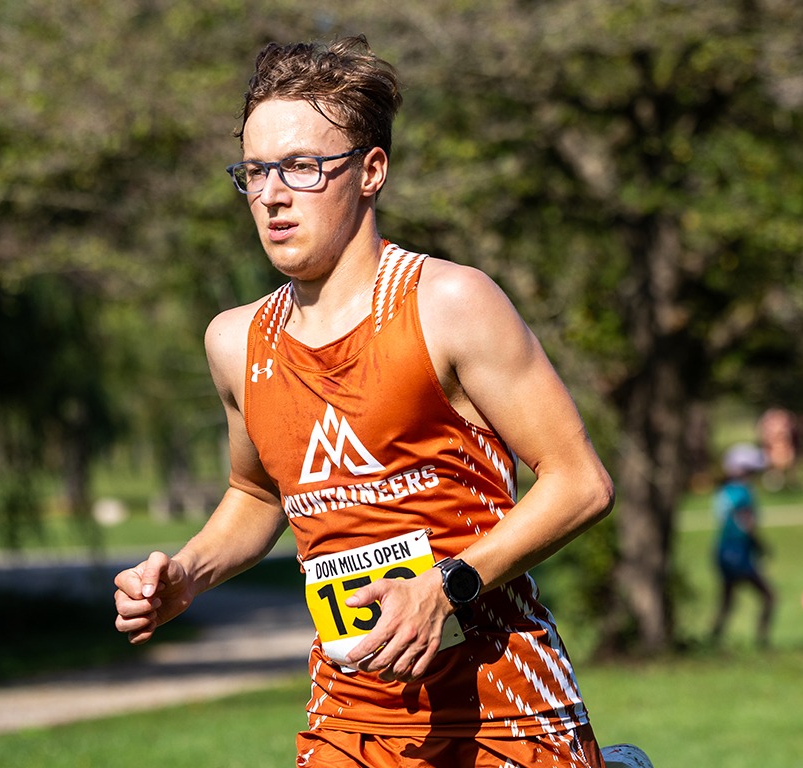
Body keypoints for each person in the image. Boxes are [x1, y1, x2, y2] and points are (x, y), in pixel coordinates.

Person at [113, 36, 616, 767]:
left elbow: (580, 483)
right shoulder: (235, 342)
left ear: (371, 170)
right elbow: (258, 494)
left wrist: (443, 589)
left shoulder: (449, 303)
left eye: (301, 167)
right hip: (348, 722)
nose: (272, 195)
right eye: (254, 172)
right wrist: (187, 575)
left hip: (505, 715)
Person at [708, 443, 776, 648]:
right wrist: (761, 545)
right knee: (769, 596)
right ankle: (762, 640)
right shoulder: (744, 493)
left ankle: (713, 638)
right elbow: (747, 524)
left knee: (727, 601)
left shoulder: (724, 492)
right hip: (738, 553)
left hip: (722, 550)